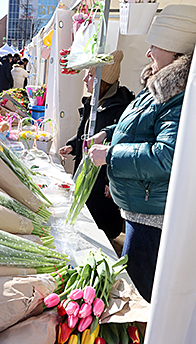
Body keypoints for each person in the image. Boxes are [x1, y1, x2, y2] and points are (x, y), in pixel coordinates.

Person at [87, 4, 196, 302]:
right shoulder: (158, 85)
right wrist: (108, 134)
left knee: (140, 301)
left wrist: (111, 155)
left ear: (174, 52)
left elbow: (167, 157)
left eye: (154, 45)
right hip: (139, 212)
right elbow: (140, 130)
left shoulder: (178, 94)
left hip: (151, 220)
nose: (148, 52)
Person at [59, 50, 134, 240]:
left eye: (91, 75)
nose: (85, 80)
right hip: (87, 169)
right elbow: (86, 134)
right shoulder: (93, 101)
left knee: (100, 223)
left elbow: (120, 144)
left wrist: (111, 180)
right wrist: (72, 146)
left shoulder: (119, 107)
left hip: (102, 178)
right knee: (85, 214)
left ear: (104, 81)